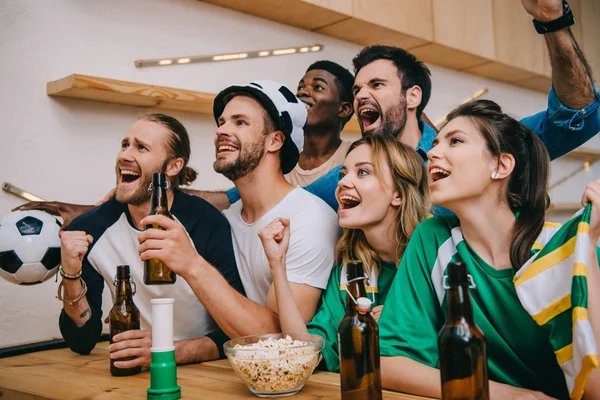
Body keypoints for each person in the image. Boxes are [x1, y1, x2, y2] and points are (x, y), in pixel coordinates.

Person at [378, 99, 600, 399]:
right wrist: (515, 396)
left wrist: (586, 253)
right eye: (436, 143)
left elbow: (595, 388)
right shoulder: (431, 240)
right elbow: (390, 364)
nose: (432, 153)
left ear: (500, 165)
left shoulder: (564, 250)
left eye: (455, 141)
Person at [137, 80, 339, 335]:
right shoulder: (226, 220)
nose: (221, 131)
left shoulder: (309, 220)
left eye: (240, 122)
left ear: (275, 141)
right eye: (221, 123)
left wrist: (192, 264)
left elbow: (282, 338)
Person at [58, 113, 244, 369]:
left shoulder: (206, 223)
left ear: (173, 167)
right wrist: (70, 275)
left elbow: (237, 332)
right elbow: (82, 340)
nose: (125, 155)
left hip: (206, 369)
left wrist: (167, 352)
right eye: (125, 145)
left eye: (141, 147)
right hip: (131, 369)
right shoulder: (90, 229)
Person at [258, 134, 430, 372]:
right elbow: (305, 350)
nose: (342, 183)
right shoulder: (350, 269)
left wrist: (392, 319)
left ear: (398, 194)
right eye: (343, 174)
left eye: (362, 172)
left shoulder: (432, 256)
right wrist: (278, 263)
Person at [289, 60, 355, 186]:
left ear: (344, 109)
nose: (302, 92)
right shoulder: (283, 160)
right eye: (300, 87)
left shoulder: (354, 156)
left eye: (318, 87)